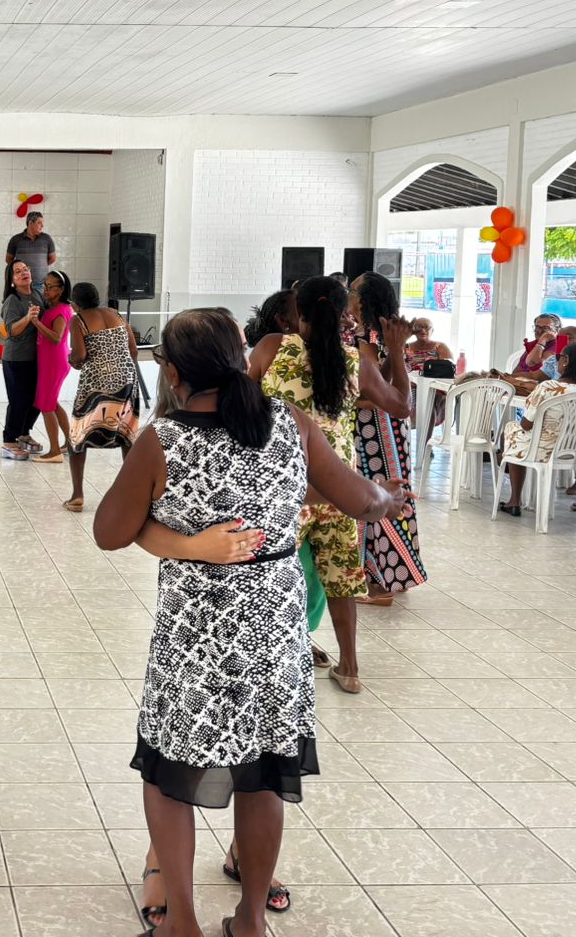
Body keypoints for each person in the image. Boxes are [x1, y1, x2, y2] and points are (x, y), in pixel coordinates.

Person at [94, 308, 404, 937]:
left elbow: (108, 531)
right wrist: (390, 496)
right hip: (273, 628)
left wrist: (177, 537)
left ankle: (181, 922)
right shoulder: (289, 425)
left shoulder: (165, 439)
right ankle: (252, 919)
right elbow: (360, 500)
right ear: (242, 361)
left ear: (174, 373)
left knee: (169, 773)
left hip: (194, 635)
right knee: (264, 777)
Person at [249, 275, 407, 695]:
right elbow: (401, 406)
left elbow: (242, 401)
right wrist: (396, 351)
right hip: (340, 488)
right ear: (342, 314)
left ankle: (272, 663)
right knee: (342, 579)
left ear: (297, 312)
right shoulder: (355, 360)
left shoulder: (271, 348)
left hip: (282, 486)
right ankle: (350, 668)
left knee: (273, 573)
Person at [350, 272, 423, 600]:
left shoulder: (369, 337)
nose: (348, 296)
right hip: (389, 428)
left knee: (376, 495)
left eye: (352, 291)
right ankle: (393, 575)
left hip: (375, 429)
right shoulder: (383, 334)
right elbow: (387, 382)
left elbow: (375, 389)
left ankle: (378, 581)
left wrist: (350, 399)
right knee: (391, 492)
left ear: (363, 300)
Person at [494, 343, 576, 518]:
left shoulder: (549, 387)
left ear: (565, 360)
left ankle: (514, 500)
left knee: (512, 429)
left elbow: (526, 424)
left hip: (541, 449)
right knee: (517, 434)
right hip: (571, 451)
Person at [64, 280, 141, 512]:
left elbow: (79, 356)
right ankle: (133, 496)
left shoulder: (77, 320)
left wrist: (71, 360)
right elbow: (134, 350)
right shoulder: (116, 314)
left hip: (97, 383)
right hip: (127, 380)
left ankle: (77, 496)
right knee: (126, 436)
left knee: (78, 438)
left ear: (74, 304)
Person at [0, 259, 43, 459]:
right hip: (16, 358)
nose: (23, 273)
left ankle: (24, 434)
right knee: (18, 401)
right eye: (18, 272)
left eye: (25, 269)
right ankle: (9, 441)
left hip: (35, 357)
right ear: (12, 280)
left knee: (35, 400)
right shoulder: (13, 301)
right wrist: (27, 318)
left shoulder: (37, 295)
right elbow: (11, 331)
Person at [29, 270, 73, 463]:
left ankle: (54, 451)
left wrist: (36, 323)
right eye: (44, 286)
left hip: (54, 361)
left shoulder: (62, 310)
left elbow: (56, 338)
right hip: (49, 361)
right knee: (52, 403)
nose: (45, 290)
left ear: (61, 290)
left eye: (50, 287)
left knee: (47, 406)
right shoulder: (53, 307)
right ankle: (70, 442)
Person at [403, 315, 455, 431]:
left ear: (432, 330)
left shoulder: (439, 347)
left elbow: (449, 367)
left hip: (434, 387)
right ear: (413, 330)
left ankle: (426, 443)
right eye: (419, 327)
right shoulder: (405, 347)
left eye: (427, 327)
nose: (423, 330)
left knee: (430, 401)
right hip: (411, 387)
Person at [5, 210, 56, 291]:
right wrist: (19, 270)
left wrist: (39, 267)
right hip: (22, 284)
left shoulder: (47, 239)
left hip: (41, 284)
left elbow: (52, 258)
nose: (42, 226)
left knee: (40, 304)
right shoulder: (16, 239)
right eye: (39, 223)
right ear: (30, 223)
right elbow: (9, 259)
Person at [515, 312, 564, 376]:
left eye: (545, 328)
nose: (540, 331)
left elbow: (533, 363)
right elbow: (517, 370)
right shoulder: (533, 344)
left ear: (557, 330)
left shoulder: (560, 345)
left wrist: (543, 340)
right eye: (537, 327)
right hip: (521, 382)